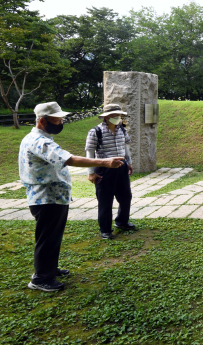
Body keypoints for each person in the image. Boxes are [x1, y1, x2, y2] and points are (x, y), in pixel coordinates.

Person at [19, 101, 124, 292]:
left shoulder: (40, 137)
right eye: (57, 120)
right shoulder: (39, 141)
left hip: (53, 197)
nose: (60, 123)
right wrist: (104, 162)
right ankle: (41, 278)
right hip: (46, 198)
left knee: (53, 236)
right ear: (43, 121)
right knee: (47, 237)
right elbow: (69, 159)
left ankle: (49, 268)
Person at [85, 103, 135, 240]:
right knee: (105, 200)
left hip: (122, 167)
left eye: (119, 115)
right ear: (106, 117)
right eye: (114, 115)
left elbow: (126, 148)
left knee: (126, 196)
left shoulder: (122, 130)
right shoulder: (95, 132)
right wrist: (91, 172)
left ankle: (122, 222)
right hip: (104, 169)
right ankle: (105, 229)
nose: (117, 118)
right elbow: (89, 153)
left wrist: (129, 163)